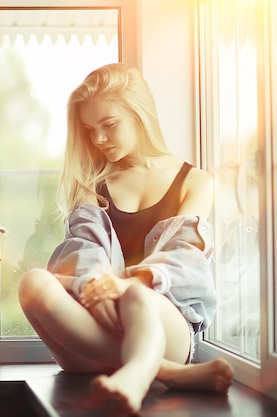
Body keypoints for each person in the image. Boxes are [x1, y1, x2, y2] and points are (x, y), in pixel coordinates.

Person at [18, 62, 234, 415]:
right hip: (91, 330)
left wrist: (128, 282)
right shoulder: (92, 185)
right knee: (33, 283)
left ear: (140, 115)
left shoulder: (195, 181)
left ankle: (145, 369)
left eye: (109, 125)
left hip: (164, 329)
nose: (98, 139)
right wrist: (98, 288)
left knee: (136, 294)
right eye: (90, 130)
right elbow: (84, 251)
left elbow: (184, 254)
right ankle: (165, 373)